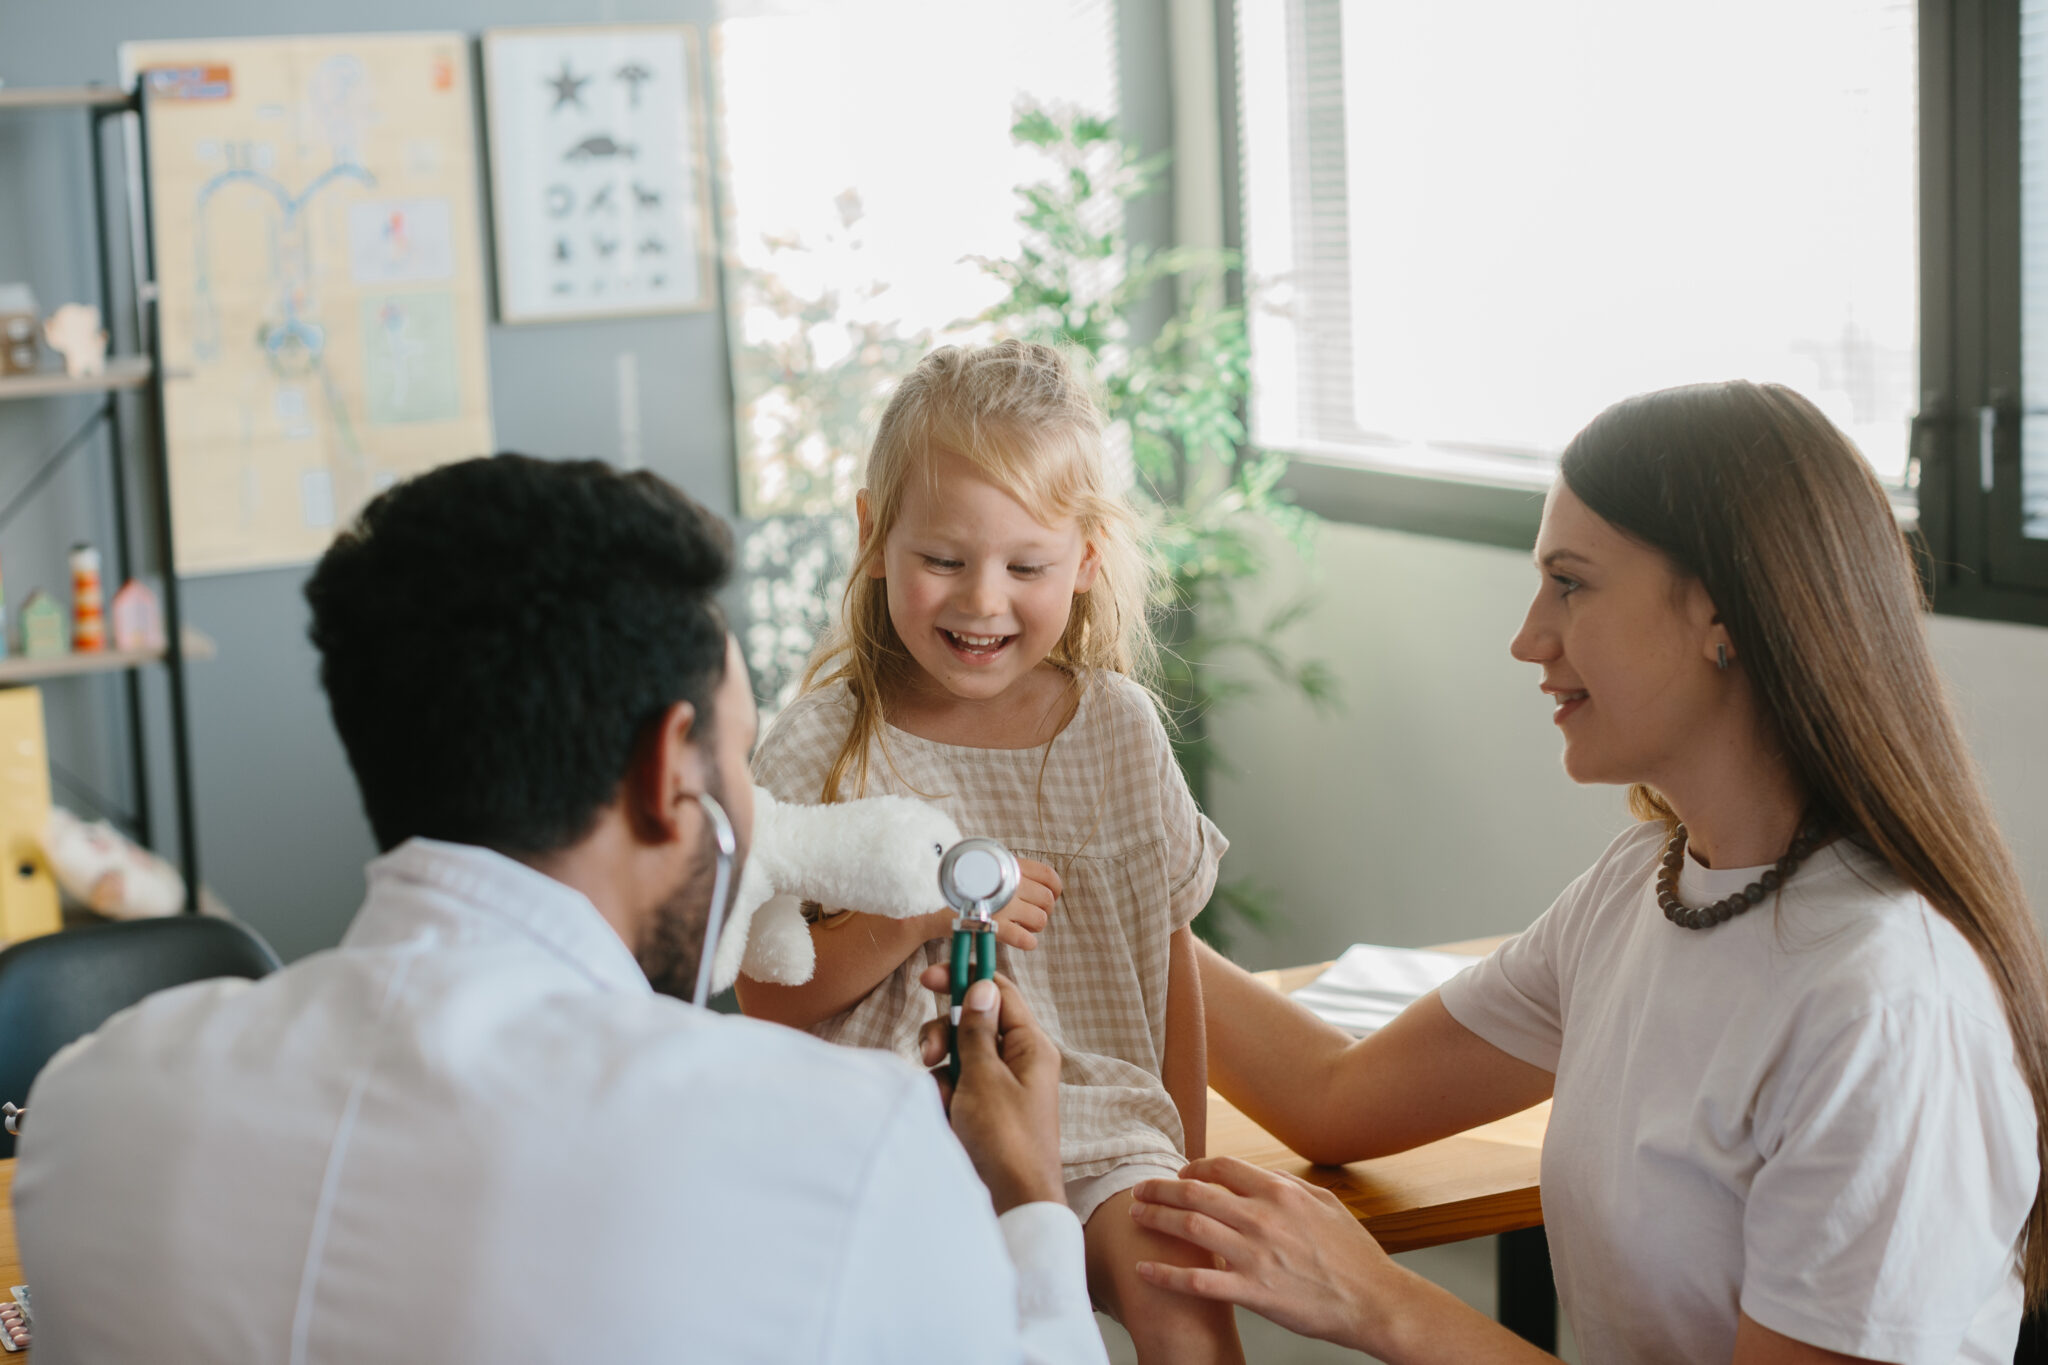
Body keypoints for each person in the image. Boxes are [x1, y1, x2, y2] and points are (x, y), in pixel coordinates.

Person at [11, 454, 1109, 1365]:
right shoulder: (840, 1142)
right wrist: (1025, 1190)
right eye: (735, 758)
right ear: (664, 772)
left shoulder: (88, 1111)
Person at [1129, 381, 2048, 1365]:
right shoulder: (1643, 888)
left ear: (1722, 613)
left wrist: (1377, 1303)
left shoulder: (1882, 1007)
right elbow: (1334, 1097)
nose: (1528, 637)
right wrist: (1105, 901)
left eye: (1568, 582)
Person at [734, 341, 1240, 1363]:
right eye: (943, 560)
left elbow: (1167, 953)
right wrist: (920, 914)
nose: (981, 602)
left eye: (1025, 565)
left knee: (1180, 1291)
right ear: (876, 538)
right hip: (888, 1131)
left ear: (1086, 558)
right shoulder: (822, 741)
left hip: (1098, 1122)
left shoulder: (1117, 730)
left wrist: (1182, 1157)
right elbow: (766, 996)